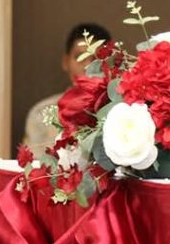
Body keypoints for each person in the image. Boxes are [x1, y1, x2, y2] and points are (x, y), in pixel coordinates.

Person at [24, 22, 112, 150]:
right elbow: (34, 161)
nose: (88, 66)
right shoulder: (41, 114)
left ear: (108, 65)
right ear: (66, 62)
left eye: (96, 59)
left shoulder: (120, 112)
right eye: (80, 57)